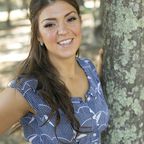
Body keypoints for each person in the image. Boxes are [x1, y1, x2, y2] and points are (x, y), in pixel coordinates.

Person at [0, 0, 109, 143]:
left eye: (70, 19)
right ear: (38, 35)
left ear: (80, 22)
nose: (63, 30)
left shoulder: (88, 68)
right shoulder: (28, 90)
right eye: (50, 24)